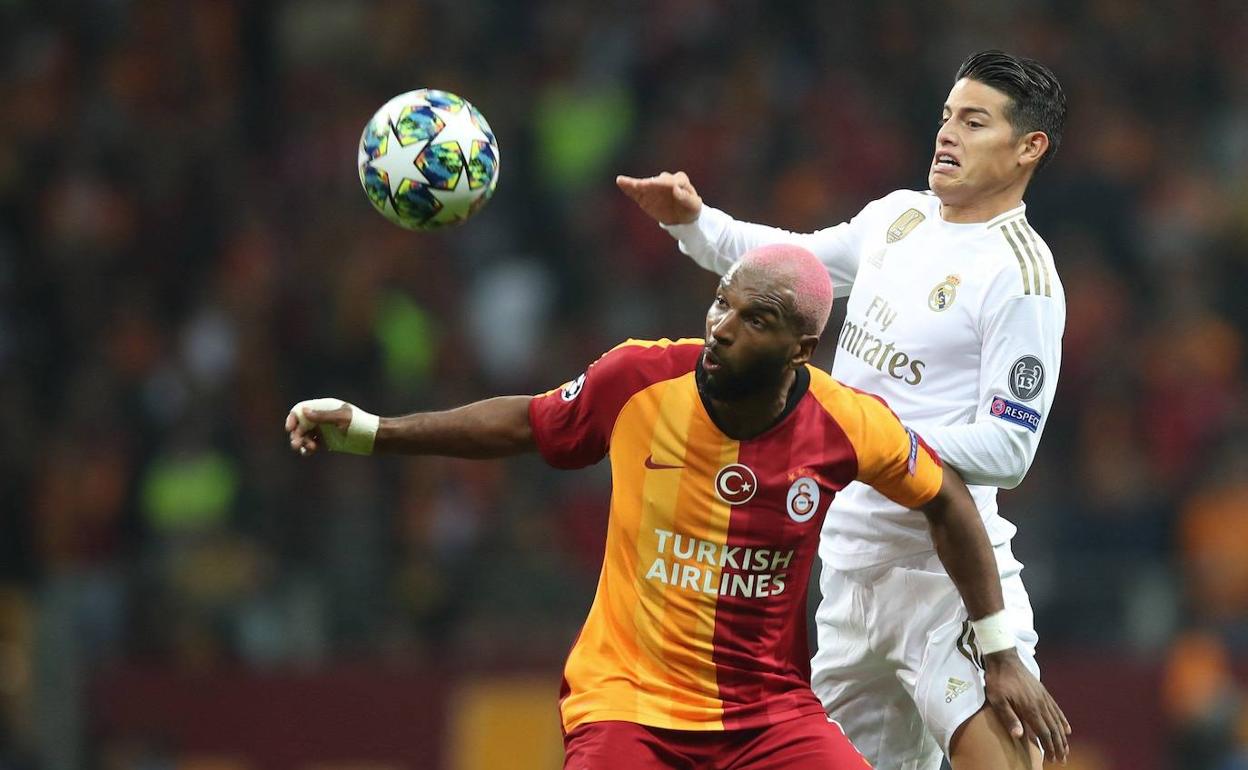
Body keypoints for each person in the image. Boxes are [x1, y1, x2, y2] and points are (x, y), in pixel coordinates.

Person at [285, 244, 1065, 769]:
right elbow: (527, 421)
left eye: (755, 319)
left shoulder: (845, 423)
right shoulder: (638, 380)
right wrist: (371, 431)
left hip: (768, 716)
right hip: (629, 706)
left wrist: (999, 652)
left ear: (800, 349)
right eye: (722, 304)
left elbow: (949, 501)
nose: (722, 328)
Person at [617, 50, 1071, 770]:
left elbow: (1009, 449)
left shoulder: (1022, 276)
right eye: (947, 116)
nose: (947, 134)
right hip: (846, 573)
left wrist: (869, 439)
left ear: (1028, 147)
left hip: (942, 578)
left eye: (974, 122)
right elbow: (791, 265)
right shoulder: (899, 218)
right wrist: (696, 224)